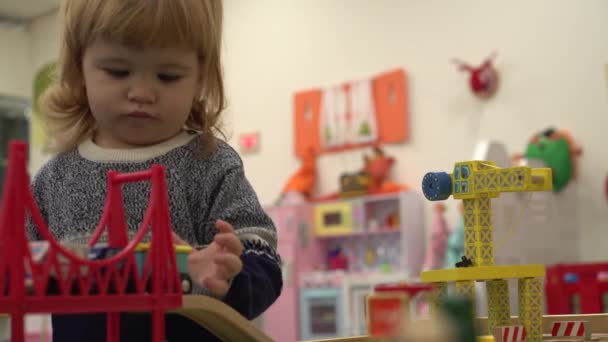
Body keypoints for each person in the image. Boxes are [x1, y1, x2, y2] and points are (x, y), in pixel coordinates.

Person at [27, 0, 282, 340]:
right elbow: (21, 269)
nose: (142, 93)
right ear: (78, 69)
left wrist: (230, 277)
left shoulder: (209, 163)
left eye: (168, 76)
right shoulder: (53, 179)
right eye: (118, 71)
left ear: (201, 77)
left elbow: (262, 256)